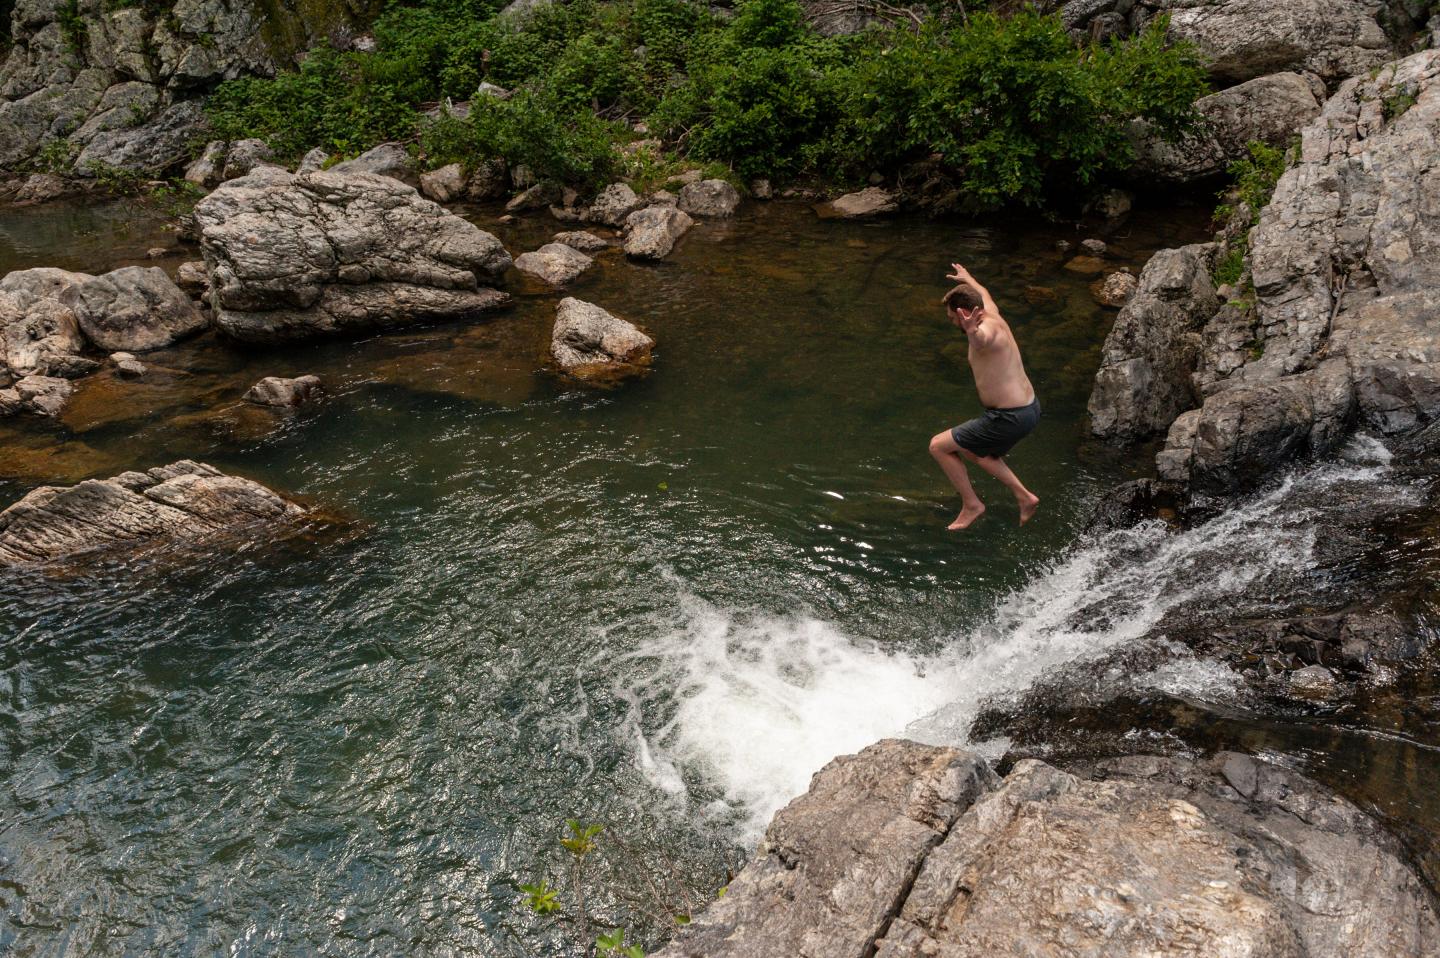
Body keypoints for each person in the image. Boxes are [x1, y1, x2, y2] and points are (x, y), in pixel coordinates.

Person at [928, 263, 1041, 530]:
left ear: (964, 313)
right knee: (972, 449)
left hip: (1008, 417)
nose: (952, 322)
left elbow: (982, 340)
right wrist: (968, 279)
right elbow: (984, 292)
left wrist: (971, 332)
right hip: (1028, 410)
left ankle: (972, 505)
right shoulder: (990, 313)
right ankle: (1025, 497)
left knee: (938, 446)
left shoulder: (985, 332)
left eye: (952, 318)